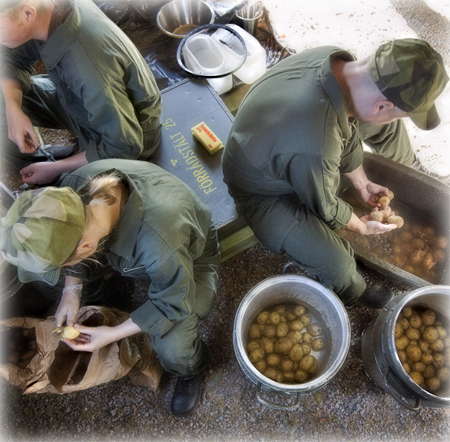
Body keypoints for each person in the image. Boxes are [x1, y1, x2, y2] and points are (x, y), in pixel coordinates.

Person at [222, 38, 449, 308]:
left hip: (279, 139)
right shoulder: (317, 143)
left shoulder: (334, 60)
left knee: (386, 128)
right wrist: (363, 226)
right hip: (259, 189)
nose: (391, 118)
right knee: (338, 264)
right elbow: (327, 208)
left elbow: (346, 126)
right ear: (381, 106)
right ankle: (354, 290)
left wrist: (362, 182)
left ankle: (406, 167)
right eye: (394, 113)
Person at [0, 159, 220, 416]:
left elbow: (173, 301)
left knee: (173, 347)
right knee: (64, 282)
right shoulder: (70, 194)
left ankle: (191, 368)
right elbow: (71, 242)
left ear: (86, 247)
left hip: (191, 260)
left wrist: (113, 333)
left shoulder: (159, 245)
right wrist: (71, 293)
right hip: (137, 245)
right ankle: (103, 296)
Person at [0, 0, 162, 185]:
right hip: (83, 99)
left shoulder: (89, 72)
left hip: (128, 137)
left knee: (77, 193)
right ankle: (58, 161)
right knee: (4, 101)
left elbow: (124, 148)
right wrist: (13, 108)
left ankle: (57, 172)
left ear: (28, 14)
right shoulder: (49, 10)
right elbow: (10, 57)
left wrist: (57, 168)